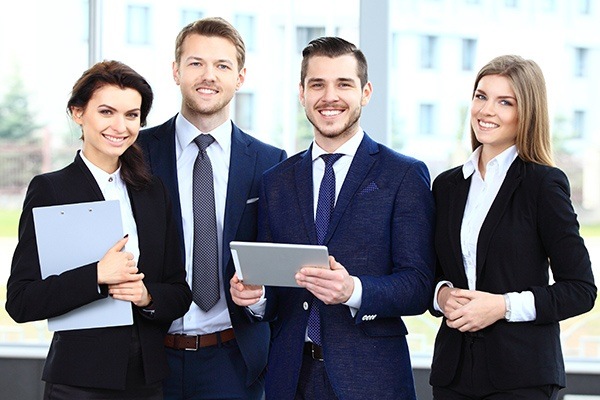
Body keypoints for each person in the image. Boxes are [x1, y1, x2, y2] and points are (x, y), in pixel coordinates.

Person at [230, 36, 436, 400]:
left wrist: (353, 291)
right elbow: (277, 291)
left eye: (344, 84)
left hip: (371, 381)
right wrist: (257, 295)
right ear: (302, 93)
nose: (330, 97)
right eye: (317, 84)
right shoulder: (276, 181)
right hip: (290, 379)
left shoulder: (402, 175)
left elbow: (418, 285)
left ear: (366, 92)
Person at [5, 60, 192, 399]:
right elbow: (21, 301)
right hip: (78, 381)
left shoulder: (153, 192)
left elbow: (179, 292)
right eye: (107, 112)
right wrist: (97, 275)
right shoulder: (51, 190)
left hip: (146, 381)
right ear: (78, 113)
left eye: (132, 115)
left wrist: (146, 296)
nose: (120, 126)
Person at [429, 55, 597, 399]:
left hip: (521, 376)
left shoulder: (542, 184)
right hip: (453, 375)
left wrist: (502, 306)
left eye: (505, 102)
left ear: (526, 113)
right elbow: (431, 273)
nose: (486, 111)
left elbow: (581, 290)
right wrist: (442, 295)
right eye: (481, 96)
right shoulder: (446, 186)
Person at [137, 17, 287, 400]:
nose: (209, 75)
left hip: (234, 363)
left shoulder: (271, 162)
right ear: (176, 71)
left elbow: (279, 259)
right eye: (196, 63)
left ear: (240, 77)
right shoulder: (136, 153)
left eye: (222, 65)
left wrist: (260, 296)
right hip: (148, 358)